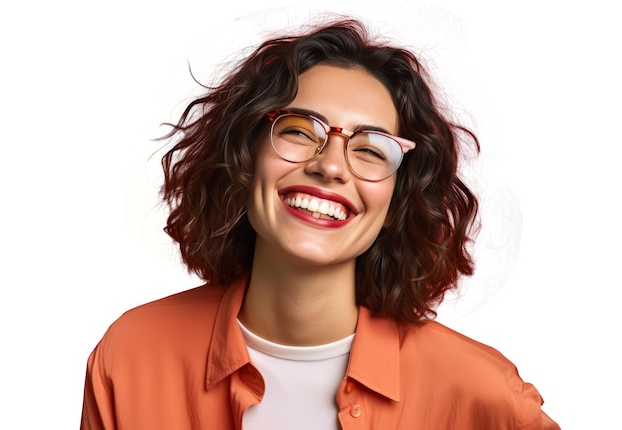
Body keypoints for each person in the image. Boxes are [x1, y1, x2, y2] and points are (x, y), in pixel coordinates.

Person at [80, 17, 560, 430]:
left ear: (398, 200)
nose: (331, 166)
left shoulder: (482, 395)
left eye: (372, 149)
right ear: (243, 158)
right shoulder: (131, 358)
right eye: (298, 130)